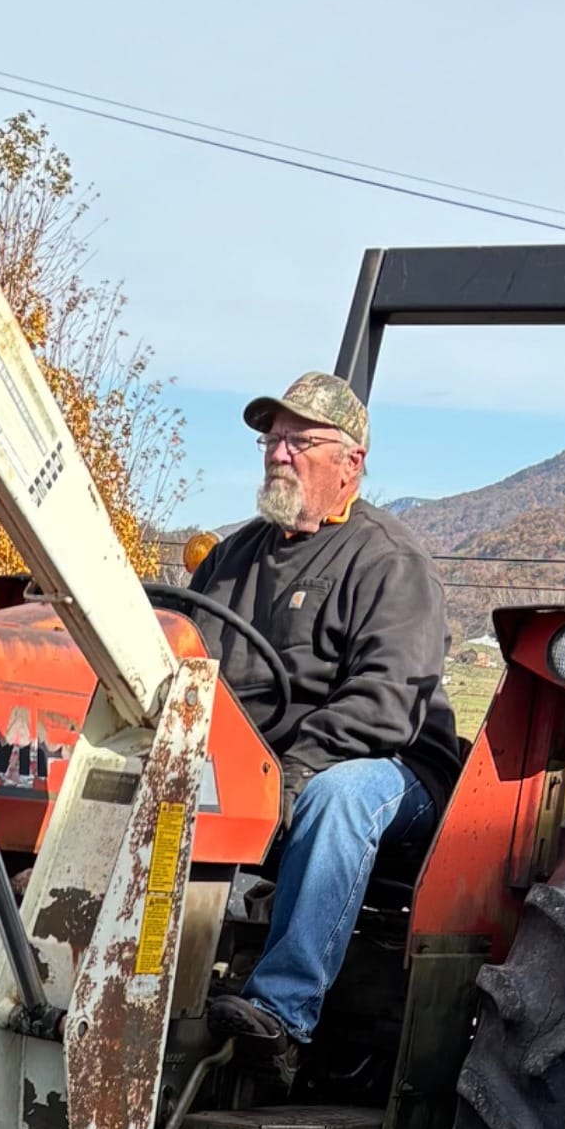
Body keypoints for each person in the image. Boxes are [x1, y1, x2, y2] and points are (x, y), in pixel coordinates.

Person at [185, 370, 461, 1049]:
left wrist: (292, 773)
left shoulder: (389, 560)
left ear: (351, 462)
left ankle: (282, 1013)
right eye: (272, 440)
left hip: (389, 768)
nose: (279, 454)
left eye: (299, 441)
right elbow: (189, 662)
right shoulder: (231, 557)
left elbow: (386, 703)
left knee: (338, 798)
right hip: (261, 764)